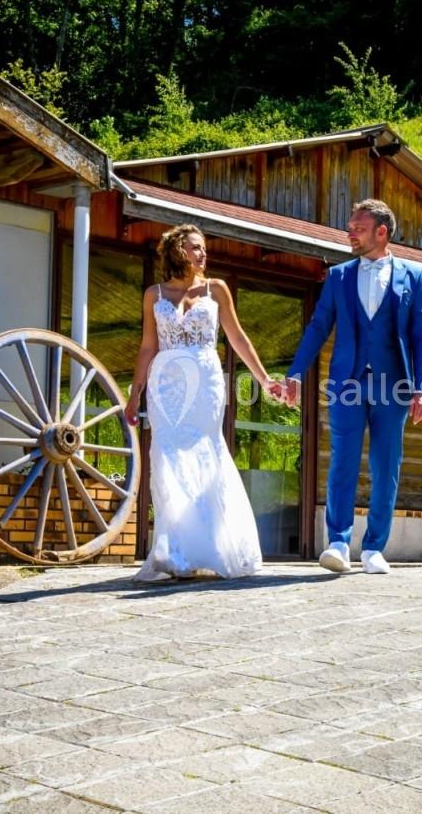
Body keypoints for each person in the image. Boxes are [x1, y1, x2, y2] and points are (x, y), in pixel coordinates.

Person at [278, 199, 422, 574]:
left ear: (381, 232)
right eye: (349, 227)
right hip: (346, 382)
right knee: (342, 462)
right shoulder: (338, 276)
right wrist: (296, 372)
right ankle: (338, 543)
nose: (349, 234)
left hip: (393, 384)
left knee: (386, 465)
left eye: (357, 228)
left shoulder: (414, 276)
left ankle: (374, 549)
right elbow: (318, 327)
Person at [125, 224, 277, 580]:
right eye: (195, 247)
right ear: (178, 250)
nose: (202, 253)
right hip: (166, 385)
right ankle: (175, 550)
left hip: (205, 381)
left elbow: (237, 337)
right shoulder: (153, 294)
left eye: (204, 248)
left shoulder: (217, 289)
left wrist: (265, 379)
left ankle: (214, 545)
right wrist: (134, 394)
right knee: (166, 457)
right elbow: (148, 347)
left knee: (205, 453)